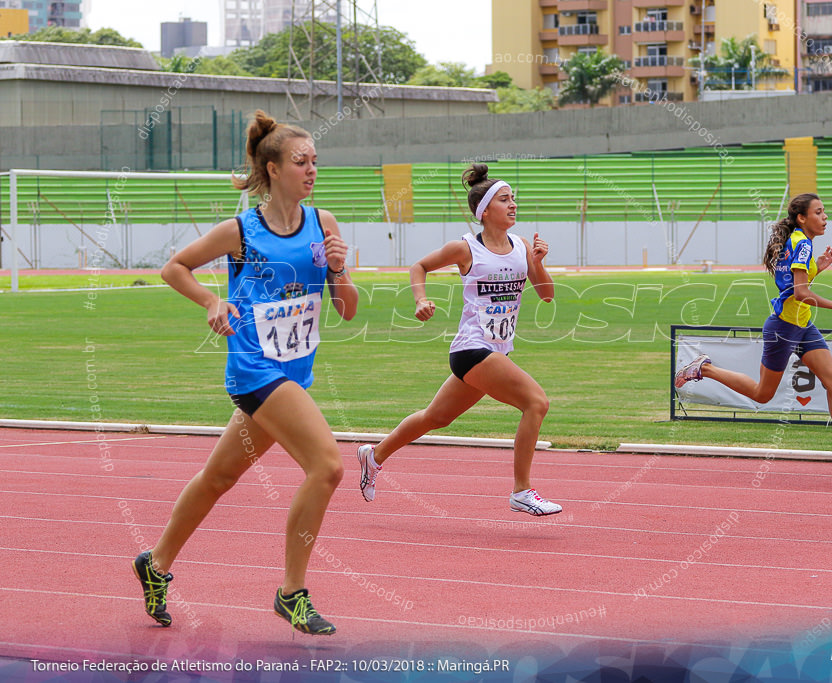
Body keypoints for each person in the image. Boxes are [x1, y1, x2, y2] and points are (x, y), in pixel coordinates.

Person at [132, 110, 358, 635]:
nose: (312, 170)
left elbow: (347, 309)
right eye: (301, 161)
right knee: (327, 466)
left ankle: (156, 562)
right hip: (255, 368)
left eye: (316, 162)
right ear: (273, 168)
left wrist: (340, 269)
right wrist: (212, 298)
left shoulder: (323, 224)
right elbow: (174, 267)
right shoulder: (242, 230)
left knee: (219, 477)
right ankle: (292, 593)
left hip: (295, 370)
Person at [355, 163, 562, 515]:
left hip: (495, 351)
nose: (513, 205)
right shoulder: (465, 248)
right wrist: (420, 300)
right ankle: (521, 491)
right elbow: (418, 267)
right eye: (504, 199)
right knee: (536, 402)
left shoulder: (521, 246)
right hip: (471, 348)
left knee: (435, 417)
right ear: (484, 211)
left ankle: (373, 456)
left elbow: (545, 294)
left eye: (514, 199)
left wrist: (538, 262)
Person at [675, 193, 832, 476]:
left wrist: (816, 268)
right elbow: (799, 293)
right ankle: (705, 369)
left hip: (803, 326)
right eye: (819, 213)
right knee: (763, 394)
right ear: (802, 218)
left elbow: (791, 284)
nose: (825, 218)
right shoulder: (801, 244)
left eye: (825, 212)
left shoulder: (798, 242)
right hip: (784, 328)